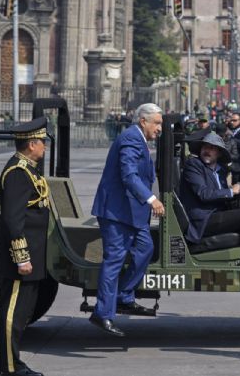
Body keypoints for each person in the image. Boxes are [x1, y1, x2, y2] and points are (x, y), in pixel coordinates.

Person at [89, 103, 165, 337]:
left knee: (145, 249)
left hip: (132, 214)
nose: (160, 128)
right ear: (143, 121)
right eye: (157, 123)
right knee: (114, 260)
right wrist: (151, 198)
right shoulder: (131, 139)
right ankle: (102, 314)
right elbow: (129, 175)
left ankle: (123, 296)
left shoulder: (139, 139)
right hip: (117, 213)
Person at [0, 117, 50, 376]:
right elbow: (13, 220)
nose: (45, 146)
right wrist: (22, 258)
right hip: (21, 257)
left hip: (32, 252)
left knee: (22, 312)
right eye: (42, 142)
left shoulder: (28, 169)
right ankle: (11, 368)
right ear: (31, 144)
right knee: (15, 312)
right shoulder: (17, 173)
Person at [178, 132, 240, 266]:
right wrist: (231, 191)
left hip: (217, 214)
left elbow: (223, 197)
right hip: (202, 219)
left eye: (212, 148)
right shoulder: (194, 165)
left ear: (219, 153)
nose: (207, 151)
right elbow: (204, 194)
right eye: (205, 147)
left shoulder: (220, 171)